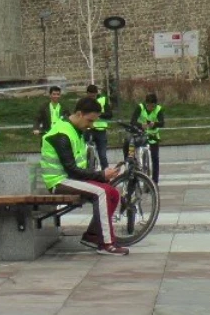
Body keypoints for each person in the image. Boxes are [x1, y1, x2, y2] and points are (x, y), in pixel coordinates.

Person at [40, 97, 128, 255]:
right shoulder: (61, 134)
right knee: (101, 192)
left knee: (113, 192)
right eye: (89, 121)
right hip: (59, 181)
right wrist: (101, 175)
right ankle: (106, 244)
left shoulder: (76, 130)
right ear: (79, 114)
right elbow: (72, 170)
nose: (91, 125)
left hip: (71, 179)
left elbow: (78, 168)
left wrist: (102, 176)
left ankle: (92, 236)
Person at [131, 93, 164, 186]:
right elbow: (132, 121)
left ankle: (154, 182)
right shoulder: (140, 107)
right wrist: (140, 125)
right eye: (149, 105)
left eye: (153, 106)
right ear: (146, 103)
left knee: (155, 158)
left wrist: (155, 124)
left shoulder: (158, 109)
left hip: (153, 137)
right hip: (141, 135)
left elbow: (162, 123)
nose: (151, 108)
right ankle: (134, 177)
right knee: (133, 156)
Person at [85, 84, 113, 169]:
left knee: (102, 155)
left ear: (97, 93)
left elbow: (110, 114)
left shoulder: (103, 100)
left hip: (101, 130)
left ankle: (106, 175)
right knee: (85, 153)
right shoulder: (84, 101)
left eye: (94, 95)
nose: (92, 97)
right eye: (90, 95)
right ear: (87, 94)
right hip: (88, 129)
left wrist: (99, 115)